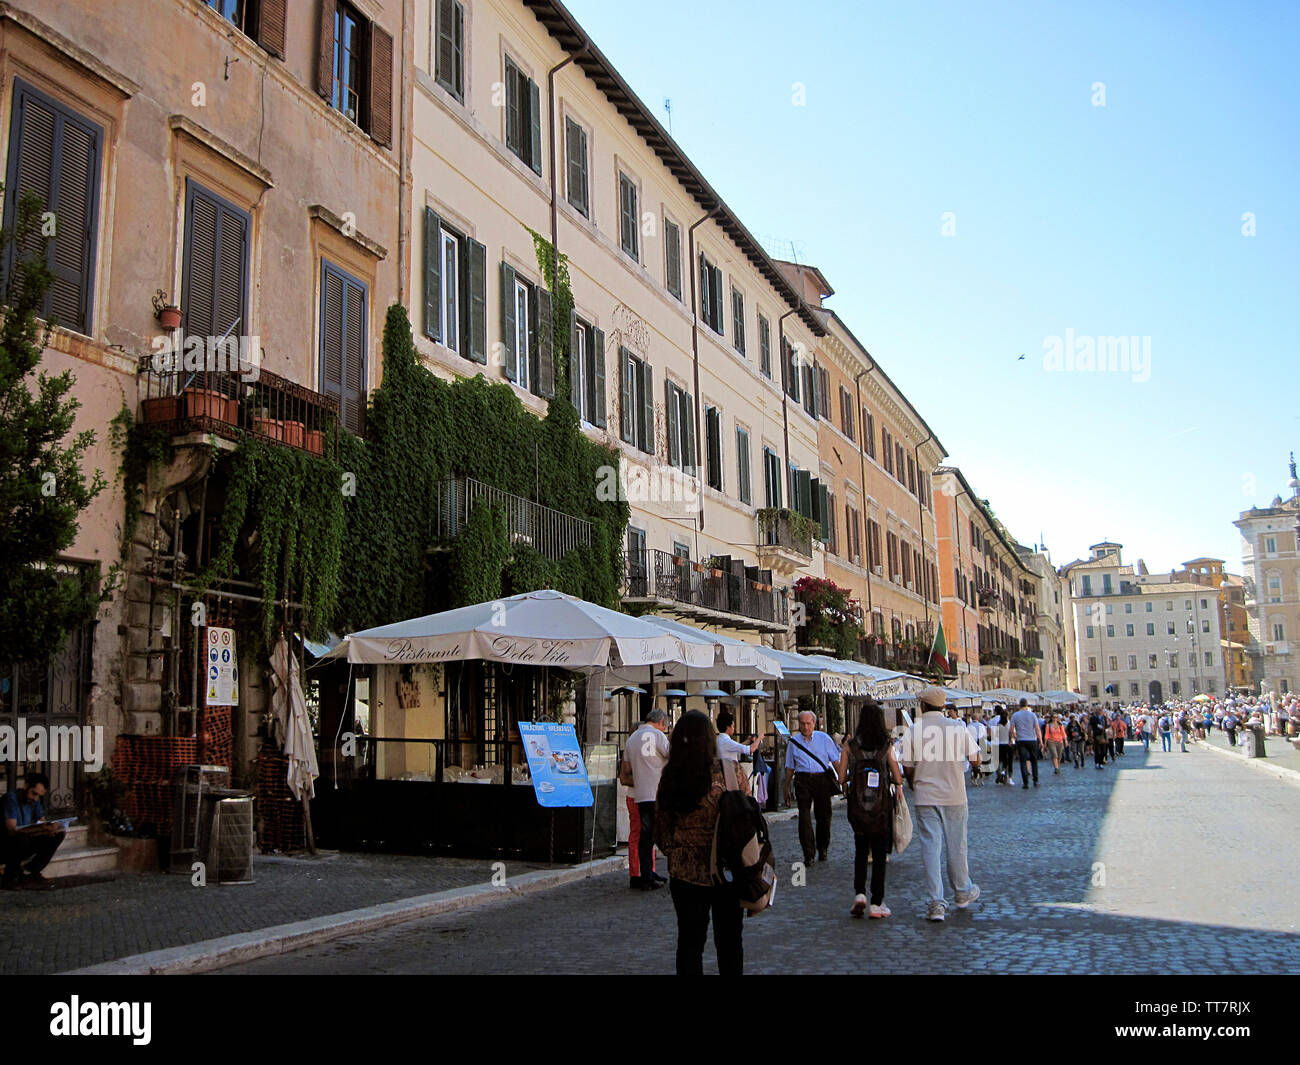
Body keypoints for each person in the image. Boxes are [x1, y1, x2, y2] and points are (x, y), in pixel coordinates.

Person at [653, 710, 748, 975]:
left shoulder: (671, 776)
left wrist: (676, 852)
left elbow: (660, 827)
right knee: (730, 943)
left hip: (686, 873)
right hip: (727, 871)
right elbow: (749, 817)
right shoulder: (731, 772)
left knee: (689, 944)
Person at [902, 688, 980, 922]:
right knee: (957, 845)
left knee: (930, 848)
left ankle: (936, 902)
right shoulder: (958, 728)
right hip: (954, 794)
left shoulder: (913, 731)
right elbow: (976, 759)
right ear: (943, 707)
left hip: (926, 795)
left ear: (922, 707)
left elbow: (907, 766)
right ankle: (962, 890)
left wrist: (916, 780)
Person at [837, 699, 904, 918]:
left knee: (860, 850)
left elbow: (840, 777)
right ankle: (877, 902)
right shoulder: (886, 746)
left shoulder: (851, 745)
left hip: (858, 809)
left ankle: (859, 894)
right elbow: (897, 776)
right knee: (878, 853)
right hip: (881, 809)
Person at [783, 709, 841, 864]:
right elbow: (790, 767)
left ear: (814, 723)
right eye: (802, 724)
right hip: (802, 780)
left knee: (824, 816)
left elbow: (836, 761)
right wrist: (786, 787)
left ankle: (822, 848)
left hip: (821, 779)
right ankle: (808, 853)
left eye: (808, 723)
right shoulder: (794, 742)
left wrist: (843, 780)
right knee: (804, 817)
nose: (806, 727)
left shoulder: (824, 739)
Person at [625, 709, 671, 890]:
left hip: (640, 794)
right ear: (660, 722)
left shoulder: (632, 738)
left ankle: (645, 874)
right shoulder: (658, 736)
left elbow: (627, 767)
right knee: (656, 834)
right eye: (665, 726)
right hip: (657, 792)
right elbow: (670, 755)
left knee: (646, 836)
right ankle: (648, 876)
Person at [2, 773, 64, 890]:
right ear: (26, 786)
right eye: (34, 793)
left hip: (22, 842)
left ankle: (33, 871)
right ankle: (9, 877)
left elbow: (42, 822)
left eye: (39, 796)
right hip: (5, 843)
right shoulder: (11, 798)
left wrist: (50, 828)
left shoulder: (35, 801)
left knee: (56, 835)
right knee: (21, 838)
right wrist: (39, 828)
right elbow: (11, 830)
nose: (35, 798)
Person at [1009, 698, 1043, 789]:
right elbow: (1037, 729)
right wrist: (1041, 741)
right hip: (1032, 740)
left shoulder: (1015, 715)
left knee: (1023, 762)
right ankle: (1035, 781)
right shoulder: (1032, 715)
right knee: (1034, 761)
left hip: (1021, 740)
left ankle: (1025, 782)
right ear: (1027, 705)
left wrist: (1010, 739)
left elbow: (1011, 729)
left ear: (1019, 705)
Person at [993, 707, 1013, 785]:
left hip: (1000, 744)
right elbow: (1011, 733)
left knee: (1002, 760)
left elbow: (995, 735)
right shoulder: (1010, 723)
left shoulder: (998, 724)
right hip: (1008, 744)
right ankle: (1009, 778)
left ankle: (1001, 772)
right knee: (1009, 762)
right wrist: (1010, 740)